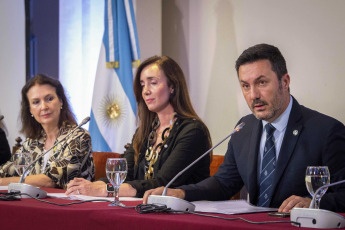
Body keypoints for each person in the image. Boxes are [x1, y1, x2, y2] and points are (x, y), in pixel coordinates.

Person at [143, 44, 345, 213]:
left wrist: (313, 203)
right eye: (245, 86)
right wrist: (181, 193)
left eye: (262, 82)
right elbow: (223, 183)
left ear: (285, 82)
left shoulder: (326, 132)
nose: (253, 95)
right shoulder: (244, 128)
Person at [66, 56, 212, 198]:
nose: (145, 91)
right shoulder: (145, 131)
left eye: (153, 83)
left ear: (172, 86)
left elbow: (162, 183)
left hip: (182, 214)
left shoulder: (193, 131)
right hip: (146, 209)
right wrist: (90, 186)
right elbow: (124, 174)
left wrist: (105, 190)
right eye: (142, 85)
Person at [0, 74, 94, 189]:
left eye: (49, 99)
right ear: (30, 110)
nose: (44, 107)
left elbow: (50, 181)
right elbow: (4, 171)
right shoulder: (32, 142)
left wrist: (2, 182)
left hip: (71, 205)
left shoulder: (78, 137)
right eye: (36, 102)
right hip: (36, 204)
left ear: (61, 101)